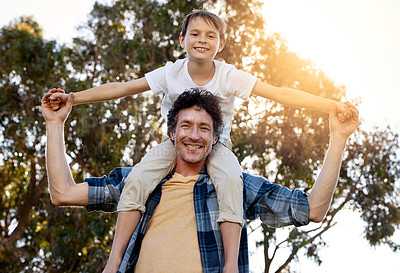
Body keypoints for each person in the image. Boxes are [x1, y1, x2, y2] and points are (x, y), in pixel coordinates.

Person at [46, 10, 354, 272]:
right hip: (163, 156)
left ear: (221, 45)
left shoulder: (229, 77)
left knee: (230, 179)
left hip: (221, 155)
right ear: (182, 40)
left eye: (210, 36)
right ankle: (112, 263)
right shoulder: (170, 73)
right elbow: (123, 88)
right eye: (194, 34)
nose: (202, 40)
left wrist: (331, 110)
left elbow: (280, 94)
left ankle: (230, 265)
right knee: (139, 176)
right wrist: (72, 101)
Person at [42, 88, 359, 273]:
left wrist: (338, 138)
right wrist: (55, 124)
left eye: (204, 128)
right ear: (171, 133)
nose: (194, 135)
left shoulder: (233, 185)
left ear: (216, 138)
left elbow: (312, 209)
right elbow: (63, 192)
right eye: (186, 126)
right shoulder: (139, 181)